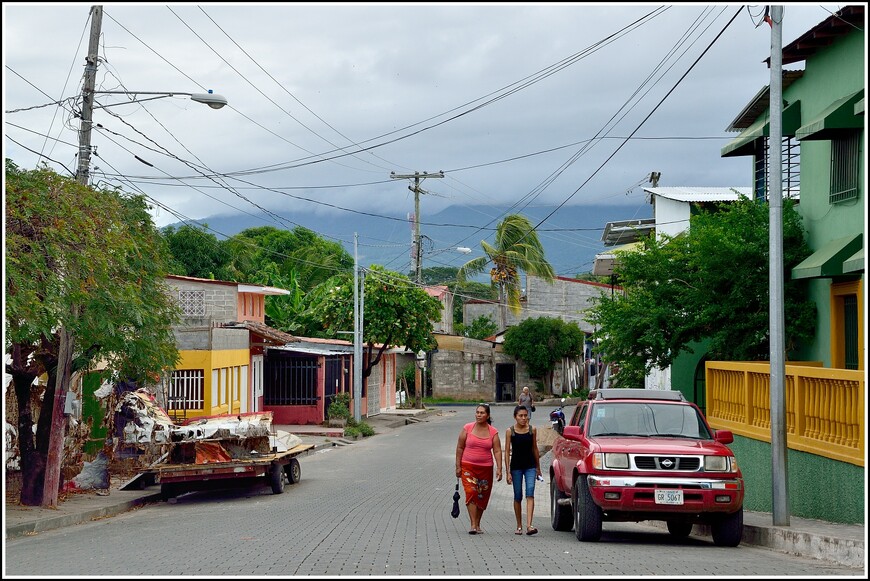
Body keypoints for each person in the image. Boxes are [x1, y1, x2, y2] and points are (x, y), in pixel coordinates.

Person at [455, 403, 503, 534]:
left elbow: (497, 451)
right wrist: (458, 466)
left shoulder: (493, 432)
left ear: (487, 415)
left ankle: (477, 523)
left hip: (486, 468)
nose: (479, 415)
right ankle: (472, 524)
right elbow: (460, 447)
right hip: (468, 466)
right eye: (477, 412)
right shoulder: (467, 428)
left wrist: (499, 468)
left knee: (482, 495)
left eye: (482, 413)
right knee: (471, 492)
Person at [504, 405, 542, 535]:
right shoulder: (510, 431)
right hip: (516, 467)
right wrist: (507, 471)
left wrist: (538, 468)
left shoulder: (532, 430)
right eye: (521, 416)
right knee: (518, 496)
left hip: (530, 466)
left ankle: (529, 525)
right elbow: (507, 451)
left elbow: (535, 449)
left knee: (530, 493)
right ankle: (519, 525)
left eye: (526, 415)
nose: (524, 418)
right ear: (515, 417)